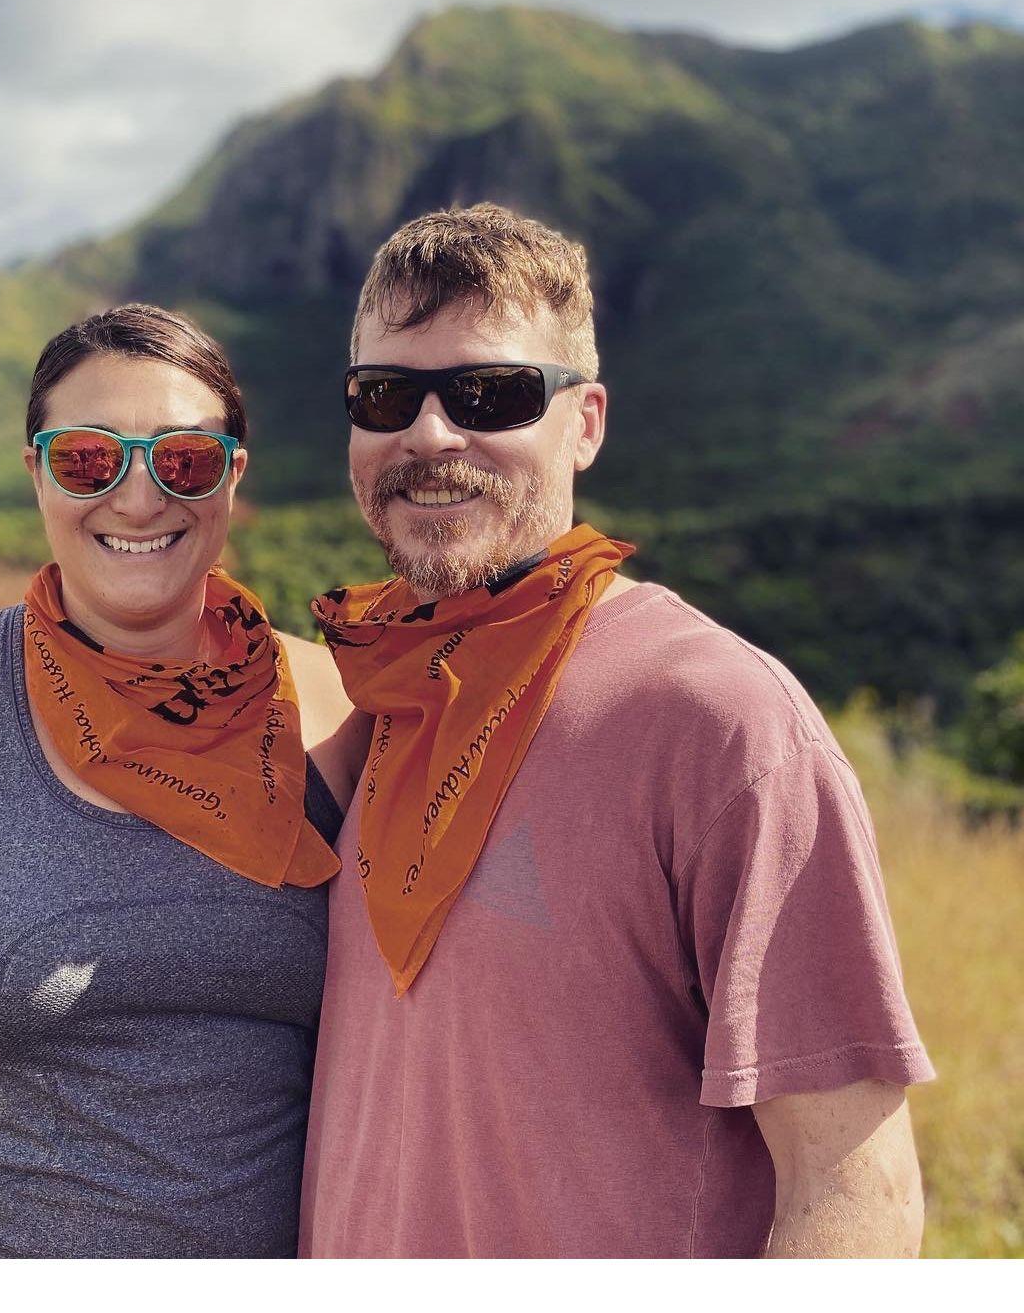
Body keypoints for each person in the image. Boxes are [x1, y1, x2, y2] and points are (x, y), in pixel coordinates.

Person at [299, 203, 935, 1258]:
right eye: (385, 395)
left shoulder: (716, 717)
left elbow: (853, 1186)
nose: (429, 434)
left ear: (585, 421)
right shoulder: (377, 694)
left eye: (490, 393)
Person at [0, 304, 366, 1258]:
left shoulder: (340, 716)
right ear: (36, 473)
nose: (138, 500)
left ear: (231, 480)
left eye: (184, 460)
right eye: (90, 458)